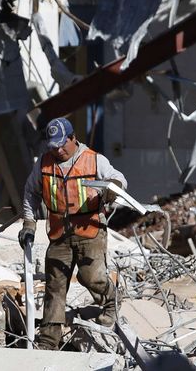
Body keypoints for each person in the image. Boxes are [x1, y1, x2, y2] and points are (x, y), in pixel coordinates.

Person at [18, 117, 127, 350]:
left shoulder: (94, 160)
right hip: (59, 234)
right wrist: (28, 223)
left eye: (61, 144)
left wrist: (111, 190)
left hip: (90, 229)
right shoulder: (44, 164)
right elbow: (30, 192)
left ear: (72, 138)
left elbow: (120, 180)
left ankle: (111, 302)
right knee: (55, 286)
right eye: (53, 146)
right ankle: (49, 340)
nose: (57, 150)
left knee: (91, 276)